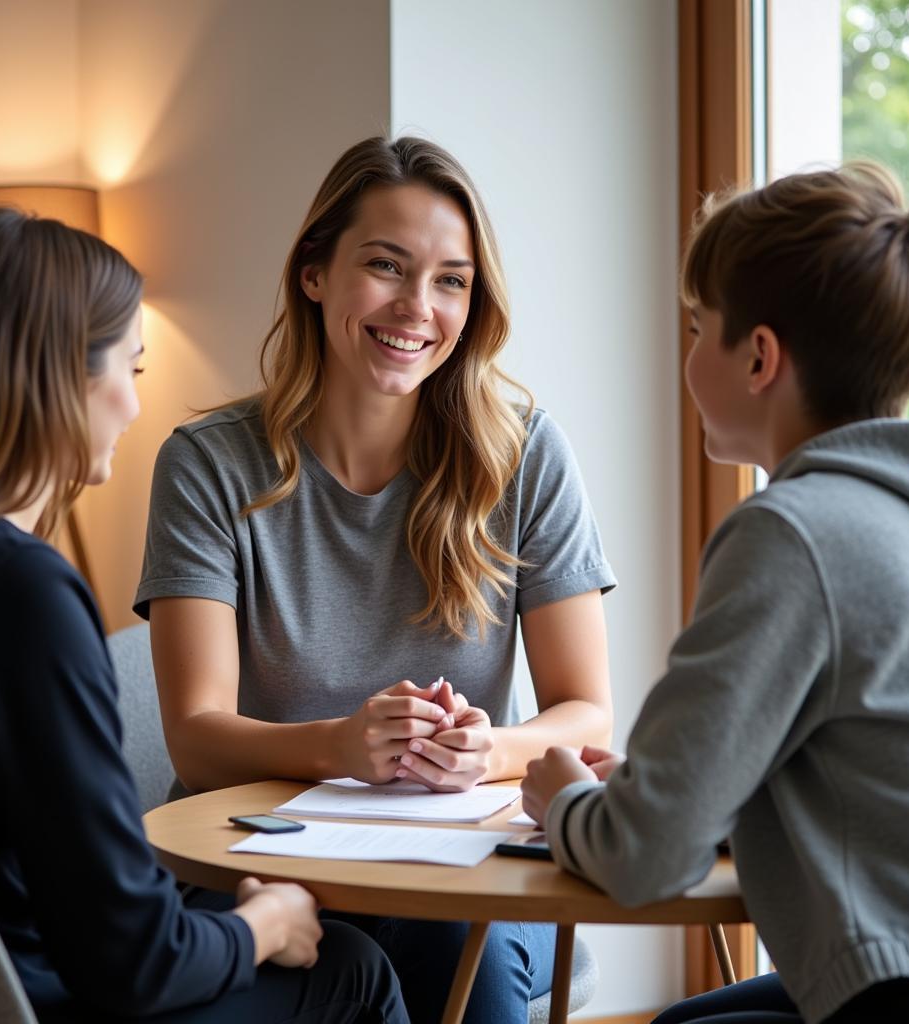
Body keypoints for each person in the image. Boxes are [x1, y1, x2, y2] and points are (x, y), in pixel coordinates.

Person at [136, 135, 616, 1022]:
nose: (417, 307)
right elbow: (195, 737)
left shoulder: (526, 456)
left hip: (461, 863)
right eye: (386, 266)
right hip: (265, 864)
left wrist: (490, 752)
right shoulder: (208, 463)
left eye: (451, 281)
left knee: (442, 944)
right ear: (314, 272)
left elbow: (587, 712)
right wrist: (340, 747)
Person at [0, 207, 409, 1024]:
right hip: (34, 997)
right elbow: (132, 960)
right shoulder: (20, 595)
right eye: (131, 371)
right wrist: (264, 923)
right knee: (348, 966)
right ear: (63, 374)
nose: (135, 409)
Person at [521, 162, 909, 1024]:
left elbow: (643, 857)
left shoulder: (795, 534)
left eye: (698, 327)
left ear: (759, 357)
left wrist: (564, 802)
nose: (688, 351)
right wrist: (661, 788)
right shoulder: (898, 512)